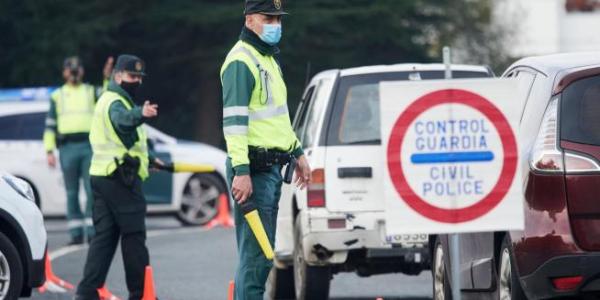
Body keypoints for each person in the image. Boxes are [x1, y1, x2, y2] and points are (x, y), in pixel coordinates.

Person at [220, 0, 312, 298]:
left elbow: (278, 116)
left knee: (261, 257)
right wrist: (241, 171)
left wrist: (297, 151)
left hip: (271, 168)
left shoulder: (267, 59)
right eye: (268, 18)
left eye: (278, 19)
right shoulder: (241, 61)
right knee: (257, 257)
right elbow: (234, 124)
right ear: (249, 21)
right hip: (254, 170)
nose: (276, 25)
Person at [75, 54, 161, 300]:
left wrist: (150, 159)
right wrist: (140, 114)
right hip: (120, 179)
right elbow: (122, 123)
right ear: (118, 76)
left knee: (105, 237)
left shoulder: (110, 98)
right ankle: (142, 294)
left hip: (102, 176)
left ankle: (87, 291)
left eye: (139, 77)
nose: (136, 81)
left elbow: (125, 141)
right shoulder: (117, 103)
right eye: (132, 76)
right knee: (134, 236)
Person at [43, 56, 113, 245]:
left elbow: (107, 97)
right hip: (67, 148)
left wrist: (107, 78)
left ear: (82, 71)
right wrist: (49, 150)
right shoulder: (57, 96)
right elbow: (50, 126)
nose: (73, 73)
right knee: (72, 192)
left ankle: (92, 231)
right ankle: (75, 233)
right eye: (70, 69)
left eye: (77, 69)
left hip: (88, 146)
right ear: (64, 72)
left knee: (92, 190)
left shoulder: (90, 91)